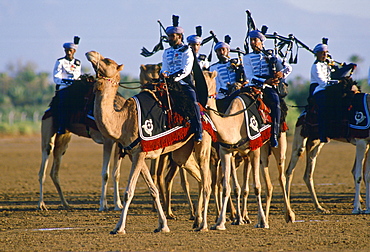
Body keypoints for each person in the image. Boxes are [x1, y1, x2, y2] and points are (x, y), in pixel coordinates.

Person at [243, 30, 292, 148]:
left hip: (269, 87)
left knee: (276, 103)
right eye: (251, 40)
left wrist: (281, 74)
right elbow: (250, 76)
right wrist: (264, 81)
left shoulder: (271, 55)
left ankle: (274, 135)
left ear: (261, 42)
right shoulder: (247, 57)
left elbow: (288, 67)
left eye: (255, 40)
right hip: (254, 85)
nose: (253, 43)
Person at [160, 15, 203, 142]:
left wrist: (173, 78)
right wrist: (163, 74)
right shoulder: (166, 52)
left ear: (179, 37)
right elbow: (164, 67)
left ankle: (198, 129)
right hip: (168, 82)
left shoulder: (187, 50)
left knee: (192, 99)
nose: (170, 39)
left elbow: (186, 69)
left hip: (183, 83)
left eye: (172, 36)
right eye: (169, 36)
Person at [53, 39, 81, 134]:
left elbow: (77, 75)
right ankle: (61, 125)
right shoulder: (60, 62)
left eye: (70, 51)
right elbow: (56, 77)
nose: (68, 52)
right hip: (64, 87)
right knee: (63, 104)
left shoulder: (77, 63)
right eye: (67, 51)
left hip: (75, 88)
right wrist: (67, 82)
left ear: (74, 51)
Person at [209, 39, 245, 113]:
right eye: (219, 50)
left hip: (238, 91)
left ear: (228, 51)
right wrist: (225, 90)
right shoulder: (213, 67)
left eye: (223, 50)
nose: (222, 52)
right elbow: (216, 84)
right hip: (223, 96)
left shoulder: (235, 64)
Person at [311, 43, 337, 143]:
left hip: (328, 89)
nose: (325, 55)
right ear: (317, 54)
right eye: (322, 53)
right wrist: (336, 83)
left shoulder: (327, 64)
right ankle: (322, 134)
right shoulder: (316, 66)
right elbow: (322, 83)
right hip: (319, 90)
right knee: (324, 106)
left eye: (326, 53)